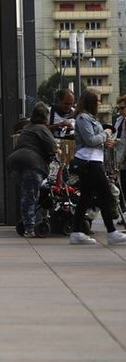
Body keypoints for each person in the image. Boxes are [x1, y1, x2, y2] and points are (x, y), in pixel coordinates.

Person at [68, 89, 126, 245]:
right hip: (89, 161)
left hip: (93, 160)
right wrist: (106, 133)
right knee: (105, 194)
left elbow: (95, 140)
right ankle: (111, 232)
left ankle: (76, 231)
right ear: (91, 102)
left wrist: (105, 140)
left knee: (86, 197)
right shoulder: (83, 118)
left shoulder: (89, 118)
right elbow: (90, 140)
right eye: (98, 100)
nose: (99, 103)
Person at [6, 103, 59, 237]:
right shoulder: (42, 129)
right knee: (30, 196)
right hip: (32, 163)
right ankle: (29, 228)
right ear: (45, 117)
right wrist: (58, 150)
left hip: (15, 162)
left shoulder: (27, 128)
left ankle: (26, 222)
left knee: (27, 194)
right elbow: (53, 148)